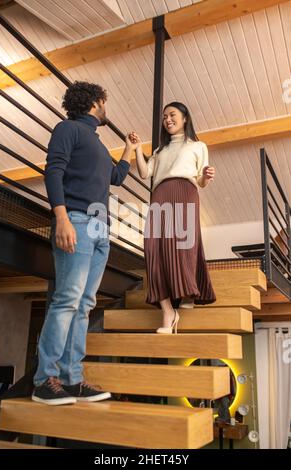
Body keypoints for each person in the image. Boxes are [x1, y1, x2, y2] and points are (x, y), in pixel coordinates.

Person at [32, 81, 137, 405]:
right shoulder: (68, 129)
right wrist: (61, 218)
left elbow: (116, 177)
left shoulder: (97, 144)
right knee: (67, 300)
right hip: (76, 221)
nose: (107, 107)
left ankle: (72, 379)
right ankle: (43, 380)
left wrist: (129, 151)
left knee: (83, 305)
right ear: (95, 102)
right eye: (105, 101)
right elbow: (53, 171)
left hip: (100, 230)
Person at [133, 101, 216, 334]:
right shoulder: (160, 151)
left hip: (185, 192)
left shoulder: (198, 146)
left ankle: (188, 292)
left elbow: (201, 180)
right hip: (160, 194)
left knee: (183, 246)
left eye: (172, 115)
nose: (167, 119)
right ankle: (168, 310)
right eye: (164, 117)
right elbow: (143, 172)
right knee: (152, 248)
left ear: (185, 118)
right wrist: (138, 148)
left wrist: (207, 177)